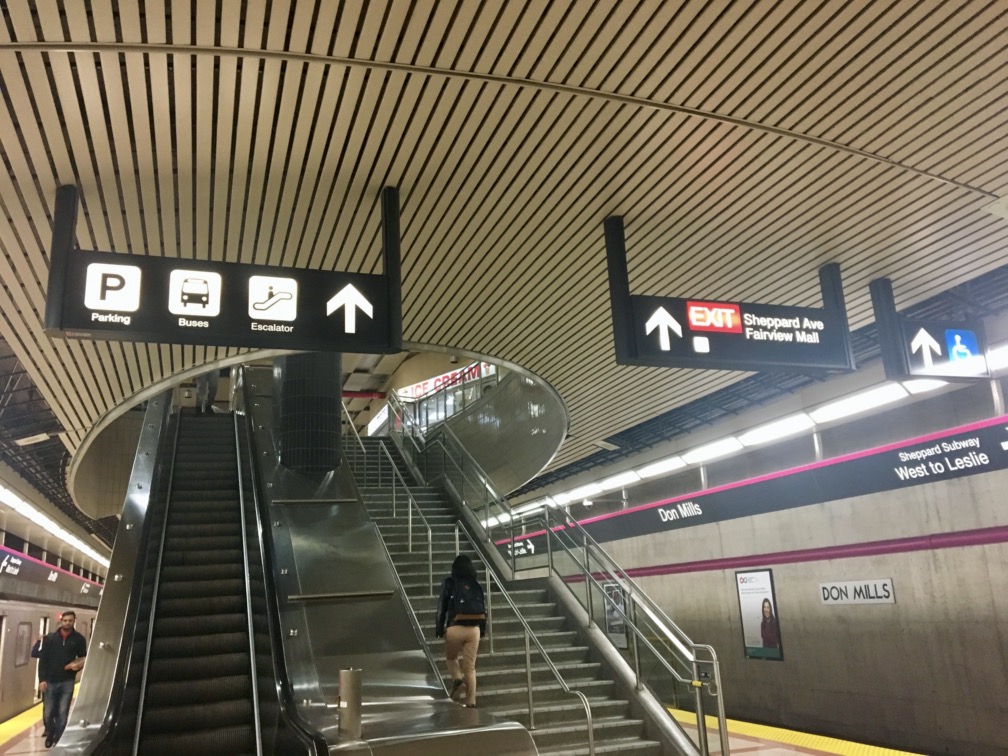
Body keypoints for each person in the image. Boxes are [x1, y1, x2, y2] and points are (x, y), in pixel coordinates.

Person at [435, 555, 486, 708]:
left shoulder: (449, 583)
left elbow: (441, 608)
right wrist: (482, 631)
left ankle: (457, 679)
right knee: (470, 668)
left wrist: (439, 629)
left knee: (451, 658)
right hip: (474, 630)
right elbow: (484, 610)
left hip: (454, 629)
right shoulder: (476, 584)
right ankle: (471, 702)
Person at [38, 611, 87, 748]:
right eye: (65, 620)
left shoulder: (79, 639)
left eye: (70, 621)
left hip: (67, 681)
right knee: (48, 713)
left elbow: (83, 657)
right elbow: (43, 661)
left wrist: (76, 666)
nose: (67, 623)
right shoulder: (50, 639)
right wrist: (42, 680)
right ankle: (50, 732)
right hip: (50, 681)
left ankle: (58, 739)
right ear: (61, 621)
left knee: (62, 712)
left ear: (74, 621)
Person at [31, 635, 48, 738]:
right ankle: (48, 728)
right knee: (47, 707)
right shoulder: (44, 651)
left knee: (49, 707)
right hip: (45, 682)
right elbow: (34, 653)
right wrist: (38, 642)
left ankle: (50, 728)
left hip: (52, 681)